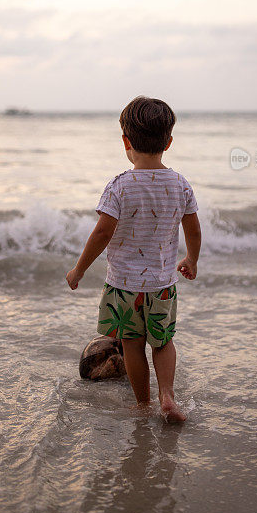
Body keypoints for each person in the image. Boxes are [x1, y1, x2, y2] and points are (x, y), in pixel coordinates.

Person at [66, 95, 201, 423]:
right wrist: (191, 259)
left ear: (126, 141)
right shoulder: (180, 184)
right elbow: (193, 228)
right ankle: (168, 396)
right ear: (168, 142)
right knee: (163, 342)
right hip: (163, 285)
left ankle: (144, 405)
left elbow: (102, 233)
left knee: (132, 345)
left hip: (124, 287)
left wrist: (79, 269)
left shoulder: (120, 187)